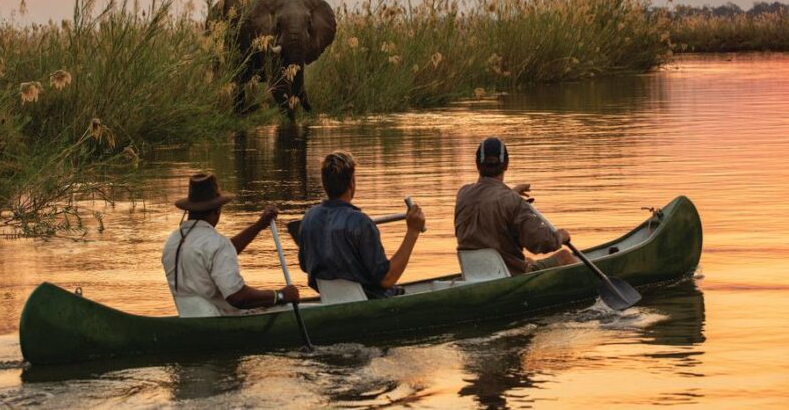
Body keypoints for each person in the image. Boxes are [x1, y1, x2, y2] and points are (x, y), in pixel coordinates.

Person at [162, 172, 300, 315]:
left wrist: (259, 225)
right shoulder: (217, 244)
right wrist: (280, 295)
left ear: (189, 210)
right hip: (219, 320)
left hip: (189, 318)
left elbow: (219, 254)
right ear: (217, 210)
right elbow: (238, 297)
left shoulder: (172, 241)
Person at [297, 150, 426, 299]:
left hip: (329, 298)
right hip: (367, 299)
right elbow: (387, 279)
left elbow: (305, 266)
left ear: (325, 183)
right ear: (352, 182)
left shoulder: (308, 218)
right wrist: (412, 231)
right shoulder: (360, 223)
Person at [454, 137, 577, 275]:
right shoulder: (511, 201)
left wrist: (510, 193)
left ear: (477, 164)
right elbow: (540, 243)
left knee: (528, 260)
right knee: (566, 256)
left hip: (475, 274)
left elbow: (489, 201)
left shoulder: (463, 194)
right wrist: (559, 237)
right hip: (508, 275)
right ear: (506, 164)